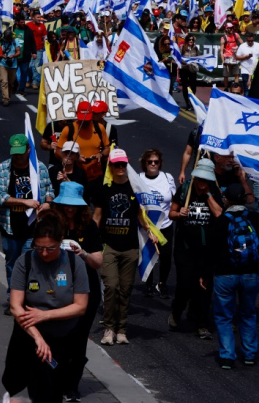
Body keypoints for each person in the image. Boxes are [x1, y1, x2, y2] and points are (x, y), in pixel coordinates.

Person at [2, 210, 89, 403]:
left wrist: (45, 315)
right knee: (17, 387)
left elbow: (81, 306)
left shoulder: (75, 264)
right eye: (39, 247)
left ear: (61, 242)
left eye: (50, 249)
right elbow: (16, 306)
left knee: (49, 390)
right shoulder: (24, 261)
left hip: (61, 337)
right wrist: (38, 337)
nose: (43, 253)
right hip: (28, 333)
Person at [202, 184, 259, 369]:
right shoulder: (254, 217)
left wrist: (205, 274)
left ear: (227, 200)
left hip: (226, 275)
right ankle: (249, 354)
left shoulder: (221, 222)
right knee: (248, 314)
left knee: (224, 316)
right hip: (251, 274)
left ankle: (227, 356)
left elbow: (210, 251)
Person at [51, 183, 104, 402]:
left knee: (78, 341)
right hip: (58, 291)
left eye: (74, 205)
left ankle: (72, 385)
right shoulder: (51, 224)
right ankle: (56, 381)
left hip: (85, 292)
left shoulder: (89, 226)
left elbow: (98, 261)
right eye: (66, 204)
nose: (70, 209)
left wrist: (82, 253)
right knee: (59, 339)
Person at [94, 149, 150, 346]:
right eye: (116, 164)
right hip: (109, 246)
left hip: (130, 248)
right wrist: (91, 239)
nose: (120, 168)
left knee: (125, 290)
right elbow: (97, 216)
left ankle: (121, 329)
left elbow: (141, 215)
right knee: (111, 287)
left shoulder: (134, 188)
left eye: (123, 164)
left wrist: (150, 230)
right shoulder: (104, 188)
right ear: (110, 165)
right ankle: (109, 327)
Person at [0, 133, 54, 315]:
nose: (18, 157)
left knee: (30, 263)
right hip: (11, 226)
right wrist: (24, 202)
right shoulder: (3, 168)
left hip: (33, 227)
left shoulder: (39, 168)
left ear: (29, 150)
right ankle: (13, 299)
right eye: (15, 153)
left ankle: (29, 299)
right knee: (12, 264)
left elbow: (49, 189)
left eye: (21, 153)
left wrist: (48, 203)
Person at [168, 158, 223, 339]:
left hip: (206, 249)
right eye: (199, 179)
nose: (201, 184)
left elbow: (218, 214)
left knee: (205, 288)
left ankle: (202, 323)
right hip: (185, 248)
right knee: (185, 284)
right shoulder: (185, 190)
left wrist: (207, 195)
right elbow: (171, 213)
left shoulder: (213, 191)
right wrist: (179, 214)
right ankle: (176, 312)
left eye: (205, 180)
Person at [140, 149, 176, 299]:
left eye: (156, 161)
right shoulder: (138, 178)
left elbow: (173, 199)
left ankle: (162, 283)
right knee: (148, 255)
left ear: (160, 163)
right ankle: (148, 284)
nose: (153, 164)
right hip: (147, 226)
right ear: (145, 164)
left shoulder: (168, 178)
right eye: (150, 162)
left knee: (166, 257)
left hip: (166, 225)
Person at [55, 102, 110, 183]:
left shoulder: (99, 128)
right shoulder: (68, 129)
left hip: (96, 176)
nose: (84, 121)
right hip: (75, 176)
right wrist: (75, 158)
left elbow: (107, 148)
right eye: (82, 119)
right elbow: (58, 152)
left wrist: (100, 155)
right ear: (76, 114)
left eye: (87, 119)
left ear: (92, 114)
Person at [0, 28, 21, 107]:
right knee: (4, 82)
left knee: (11, 83)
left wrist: (13, 55)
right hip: (3, 64)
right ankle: (5, 99)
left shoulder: (15, 41)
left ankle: (8, 96)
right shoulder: (0, 42)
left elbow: (18, 51)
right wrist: (1, 55)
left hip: (13, 65)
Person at [13, 13, 37, 95]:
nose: (23, 24)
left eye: (24, 22)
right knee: (12, 73)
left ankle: (21, 89)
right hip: (14, 56)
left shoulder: (28, 30)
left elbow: (33, 42)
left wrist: (34, 52)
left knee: (24, 73)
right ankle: (14, 85)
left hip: (25, 56)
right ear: (17, 22)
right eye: (21, 22)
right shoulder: (12, 29)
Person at [235, 32, 259, 96]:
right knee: (246, 85)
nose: (250, 42)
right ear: (246, 39)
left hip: (255, 69)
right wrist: (245, 57)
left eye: (251, 41)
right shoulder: (242, 46)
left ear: (254, 39)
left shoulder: (258, 45)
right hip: (245, 68)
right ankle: (247, 98)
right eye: (249, 41)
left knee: (255, 86)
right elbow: (237, 57)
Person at [27, 12, 47, 90]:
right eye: (38, 17)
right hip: (29, 49)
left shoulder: (42, 26)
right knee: (28, 66)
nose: (39, 19)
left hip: (39, 49)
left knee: (36, 66)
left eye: (40, 17)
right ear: (33, 18)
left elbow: (45, 37)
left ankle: (34, 82)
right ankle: (30, 78)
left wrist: (45, 46)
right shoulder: (28, 25)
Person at [180, 35, 200, 111]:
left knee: (193, 86)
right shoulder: (182, 47)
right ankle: (187, 103)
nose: (191, 41)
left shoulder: (195, 48)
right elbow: (179, 57)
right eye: (189, 40)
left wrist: (195, 62)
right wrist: (185, 62)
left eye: (192, 40)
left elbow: (198, 57)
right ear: (187, 40)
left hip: (192, 69)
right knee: (185, 86)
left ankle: (191, 102)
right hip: (184, 68)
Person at [220, 23, 242, 91]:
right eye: (230, 28)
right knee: (226, 75)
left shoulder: (236, 35)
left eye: (232, 28)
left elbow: (242, 43)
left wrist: (239, 50)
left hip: (235, 57)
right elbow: (221, 51)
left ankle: (236, 87)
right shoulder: (223, 38)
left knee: (237, 73)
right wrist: (223, 61)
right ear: (227, 29)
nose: (231, 29)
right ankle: (226, 87)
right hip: (227, 57)